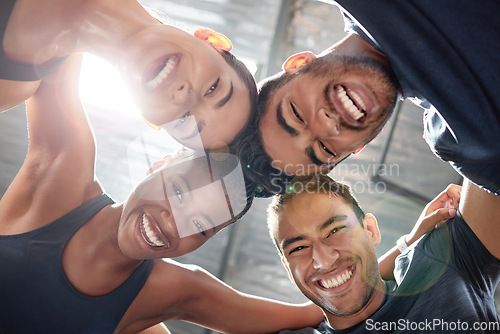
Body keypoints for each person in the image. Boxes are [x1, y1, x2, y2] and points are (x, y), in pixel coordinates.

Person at [0, 53, 325, 333]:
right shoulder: (63, 171)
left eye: (200, 226)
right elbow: (65, 24)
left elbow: (316, 313)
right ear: (159, 164)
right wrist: (177, 51)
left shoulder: (172, 290)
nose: (172, 225)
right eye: (179, 192)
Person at [237, 0, 500, 196]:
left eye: (296, 114)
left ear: (299, 63)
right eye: (325, 149)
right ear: (358, 147)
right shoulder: (469, 144)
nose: (328, 126)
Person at [0, 0, 257, 149]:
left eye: (184, 122)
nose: (184, 97)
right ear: (212, 41)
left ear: (149, 119)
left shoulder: (9, 86)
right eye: (213, 88)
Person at [267, 174, 500, 333]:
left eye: (335, 229)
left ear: (370, 230)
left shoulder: (437, 261)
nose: (324, 259)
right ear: (288, 269)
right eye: (298, 248)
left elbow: (487, 149)